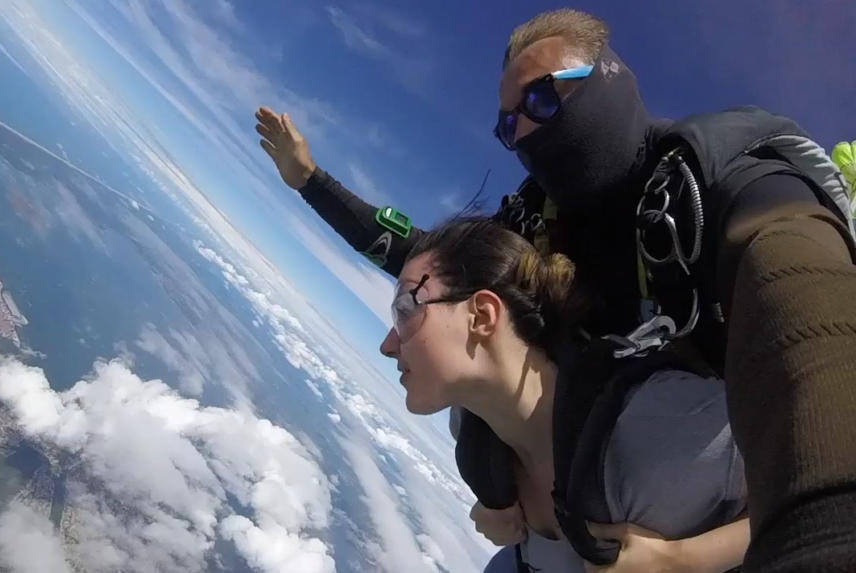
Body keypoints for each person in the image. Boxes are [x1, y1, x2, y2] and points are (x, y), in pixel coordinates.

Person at [255, 8, 856, 570]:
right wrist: (311, 182)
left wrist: (694, 557)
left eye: (541, 98)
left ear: (611, 79)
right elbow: (430, 271)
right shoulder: (537, 226)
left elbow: (810, 322)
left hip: (711, 514)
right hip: (570, 506)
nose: (522, 132)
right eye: (506, 125)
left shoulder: (727, 181)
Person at [379, 215, 750, 573]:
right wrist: (491, 494)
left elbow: (804, 477)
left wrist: (687, 559)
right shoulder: (475, 433)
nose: (388, 344)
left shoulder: (664, 430)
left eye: (406, 309)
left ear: (482, 316)